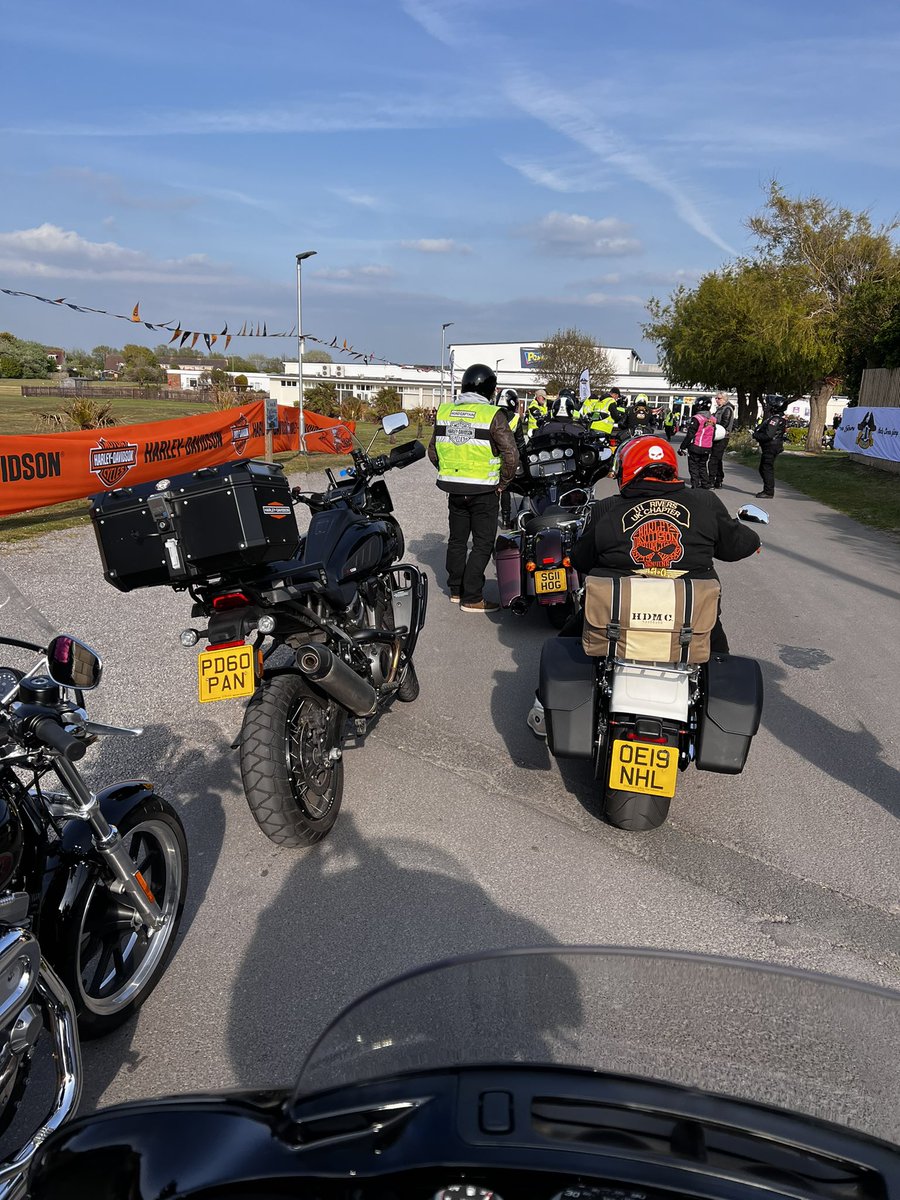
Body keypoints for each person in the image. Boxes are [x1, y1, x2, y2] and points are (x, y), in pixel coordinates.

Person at [428, 363, 519, 612]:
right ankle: (472, 596)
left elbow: (433, 451)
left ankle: (456, 590)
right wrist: (503, 483)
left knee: (457, 540)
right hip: (484, 491)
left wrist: (450, 471)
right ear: (490, 389)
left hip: (455, 490)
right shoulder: (492, 414)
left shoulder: (446, 412)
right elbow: (511, 454)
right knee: (482, 543)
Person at [496, 388, 526, 529]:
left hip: (491, 458)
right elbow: (520, 442)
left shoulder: (491, 415)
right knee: (506, 489)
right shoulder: (515, 418)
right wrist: (523, 459)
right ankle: (506, 520)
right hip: (507, 459)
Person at [678, 395, 716, 489]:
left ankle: (695, 485)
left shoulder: (697, 418)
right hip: (707, 447)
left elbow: (690, 434)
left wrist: (682, 447)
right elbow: (713, 435)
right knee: (702, 466)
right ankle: (705, 484)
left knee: (693, 466)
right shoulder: (713, 419)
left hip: (696, 446)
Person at [753, 394, 788, 497]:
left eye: (770, 405)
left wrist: (756, 435)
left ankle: (768, 492)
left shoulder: (775, 419)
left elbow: (768, 435)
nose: (767, 407)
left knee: (766, 468)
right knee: (763, 468)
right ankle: (768, 489)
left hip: (771, 447)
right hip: (771, 446)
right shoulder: (774, 418)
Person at [708, 392, 735, 489]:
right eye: (716, 398)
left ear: (724, 399)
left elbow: (724, 423)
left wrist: (713, 425)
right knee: (717, 459)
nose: (716, 400)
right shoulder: (720, 408)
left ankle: (711, 481)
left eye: (719, 398)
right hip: (718, 436)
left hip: (722, 436)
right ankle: (718, 479)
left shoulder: (727, 409)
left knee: (713, 460)